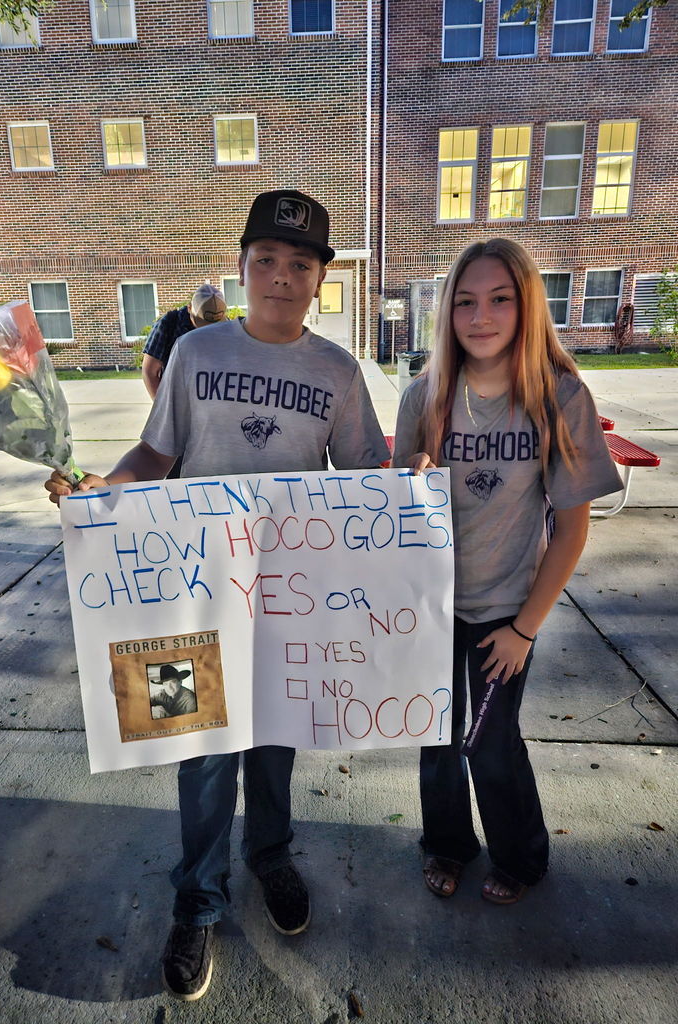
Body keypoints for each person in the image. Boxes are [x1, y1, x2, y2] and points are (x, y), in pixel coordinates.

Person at [46, 188, 389, 1001]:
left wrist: (406, 493)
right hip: (187, 600)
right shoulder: (199, 355)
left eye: (299, 264)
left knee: (274, 743)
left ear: (320, 278)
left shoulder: (338, 372)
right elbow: (154, 453)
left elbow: (365, 478)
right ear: (241, 268)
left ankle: (272, 858)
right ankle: (199, 899)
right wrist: (103, 490)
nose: (280, 275)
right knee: (200, 755)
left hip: (285, 604)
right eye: (264, 259)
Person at [392, 238, 623, 907]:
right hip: (429, 609)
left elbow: (572, 529)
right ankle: (446, 845)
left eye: (499, 299)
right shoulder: (424, 398)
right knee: (434, 738)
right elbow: (393, 510)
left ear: (526, 308)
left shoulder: (560, 396)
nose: (480, 316)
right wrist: (407, 483)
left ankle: (522, 856)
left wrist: (525, 629)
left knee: (490, 746)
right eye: (464, 301)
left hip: (506, 611)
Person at [141, 283, 227, 399]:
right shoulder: (168, 325)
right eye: (203, 325)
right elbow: (149, 372)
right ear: (189, 308)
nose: (209, 332)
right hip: (177, 400)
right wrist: (162, 408)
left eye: (215, 326)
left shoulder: (228, 327)